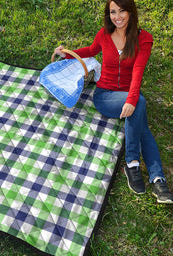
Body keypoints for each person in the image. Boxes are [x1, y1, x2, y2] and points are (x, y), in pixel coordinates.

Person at [54, 0, 173, 204]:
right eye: (113, 12)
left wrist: (131, 99)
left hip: (127, 93)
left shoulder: (144, 39)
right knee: (140, 107)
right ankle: (139, 166)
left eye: (122, 11)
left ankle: (154, 176)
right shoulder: (104, 34)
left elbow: (138, 71)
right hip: (105, 95)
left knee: (140, 117)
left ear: (131, 11)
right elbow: (91, 50)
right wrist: (67, 55)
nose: (117, 16)